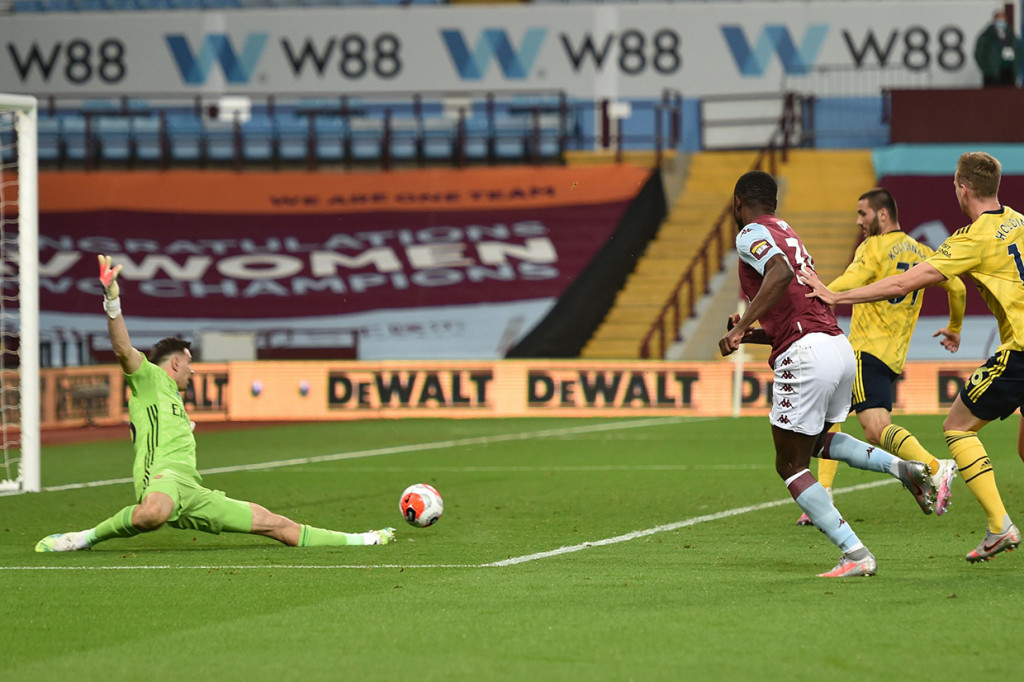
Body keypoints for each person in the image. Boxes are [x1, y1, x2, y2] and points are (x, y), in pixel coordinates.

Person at [35, 255, 396, 553]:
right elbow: (122, 350)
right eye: (189, 362)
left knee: (277, 525)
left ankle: (362, 538)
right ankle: (81, 539)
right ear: (175, 362)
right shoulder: (148, 379)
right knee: (154, 513)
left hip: (192, 490)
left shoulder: (173, 401)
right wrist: (112, 300)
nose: (192, 370)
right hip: (162, 480)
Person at [802, 151, 1023, 563]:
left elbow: (903, 281)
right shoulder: (1019, 220)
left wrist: (836, 296)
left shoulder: (971, 239)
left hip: (1019, 350)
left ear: (962, 189)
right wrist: (956, 327)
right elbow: (955, 290)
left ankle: (998, 524)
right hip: (899, 354)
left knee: (957, 427)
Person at [720, 170, 937, 579]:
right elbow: (796, 307)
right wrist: (751, 333)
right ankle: (902, 468)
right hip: (837, 346)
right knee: (819, 440)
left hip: (807, 354)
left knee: (790, 465)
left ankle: (854, 552)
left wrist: (737, 326)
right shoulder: (789, 232)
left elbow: (780, 274)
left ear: (737, 202)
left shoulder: (750, 232)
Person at [795, 188, 963, 527]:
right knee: (832, 414)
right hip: (892, 357)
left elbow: (848, 282)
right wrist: (955, 327)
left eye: (862, 214)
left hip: (863, 351)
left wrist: (819, 294)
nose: (858, 221)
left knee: (874, 429)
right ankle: (824, 489)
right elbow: (957, 287)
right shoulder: (924, 252)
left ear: (882, 216)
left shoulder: (873, 247)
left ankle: (933, 467)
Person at [974, 8, 1023, 87]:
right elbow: (979, 54)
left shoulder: (1012, 37)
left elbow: (1020, 54)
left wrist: (1016, 71)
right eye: (999, 20)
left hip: (1009, 74)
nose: (1001, 23)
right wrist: (988, 70)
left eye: (1003, 20)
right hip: (992, 76)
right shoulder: (986, 37)